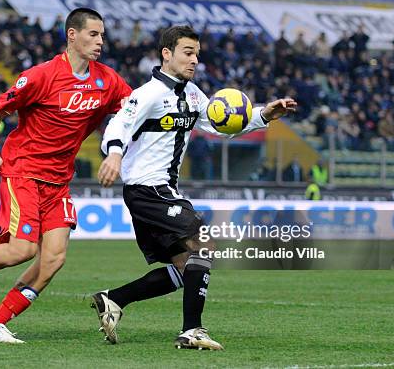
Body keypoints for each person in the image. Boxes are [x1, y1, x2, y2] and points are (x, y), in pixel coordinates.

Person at [0, 8, 132, 344]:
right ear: (72, 35)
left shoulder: (107, 80)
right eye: (93, 34)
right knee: (22, 250)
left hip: (59, 181)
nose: (100, 41)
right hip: (24, 173)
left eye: (102, 35)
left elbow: (133, 109)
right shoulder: (41, 76)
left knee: (53, 259)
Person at [90, 25, 296, 350]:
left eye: (197, 54)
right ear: (167, 54)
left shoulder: (194, 95)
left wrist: (264, 115)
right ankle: (192, 331)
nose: (194, 60)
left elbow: (219, 125)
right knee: (204, 246)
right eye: (188, 52)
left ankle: (114, 299)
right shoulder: (149, 94)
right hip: (149, 189)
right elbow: (120, 123)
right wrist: (114, 154)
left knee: (185, 267)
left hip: (156, 193)